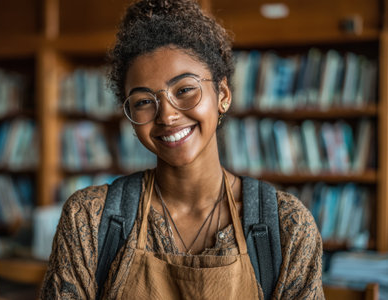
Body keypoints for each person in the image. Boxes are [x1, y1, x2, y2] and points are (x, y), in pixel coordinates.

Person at [40, 0, 324, 299]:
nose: (166, 116)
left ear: (223, 95)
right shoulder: (90, 219)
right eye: (143, 101)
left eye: (185, 90)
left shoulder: (285, 226)